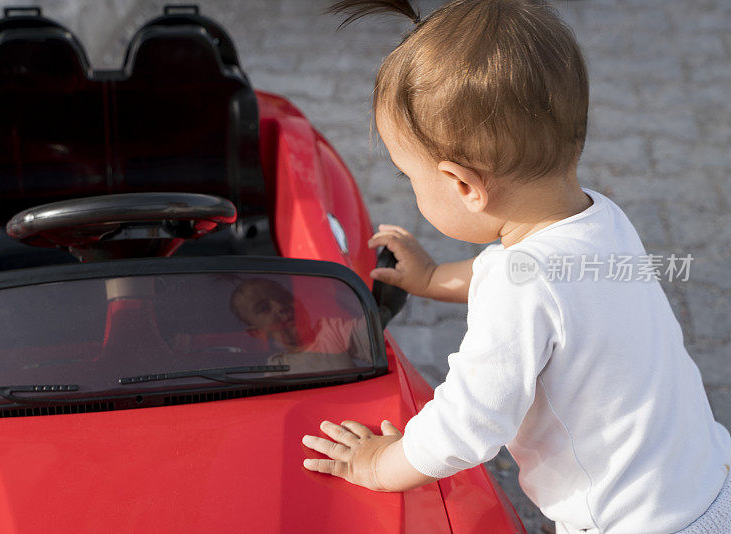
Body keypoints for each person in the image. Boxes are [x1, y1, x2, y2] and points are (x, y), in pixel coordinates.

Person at [300, 1, 731, 532]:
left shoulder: (521, 291)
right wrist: (435, 279)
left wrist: (377, 464)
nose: (408, 188)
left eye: (405, 175)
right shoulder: (602, 218)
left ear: (462, 185)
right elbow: (538, 283)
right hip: (706, 481)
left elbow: (468, 424)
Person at [229, 277, 371, 374]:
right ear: (257, 332)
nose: (280, 307)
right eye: (264, 308)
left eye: (283, 298)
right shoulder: (277, 368)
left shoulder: (329, 331)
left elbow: (372, 333)